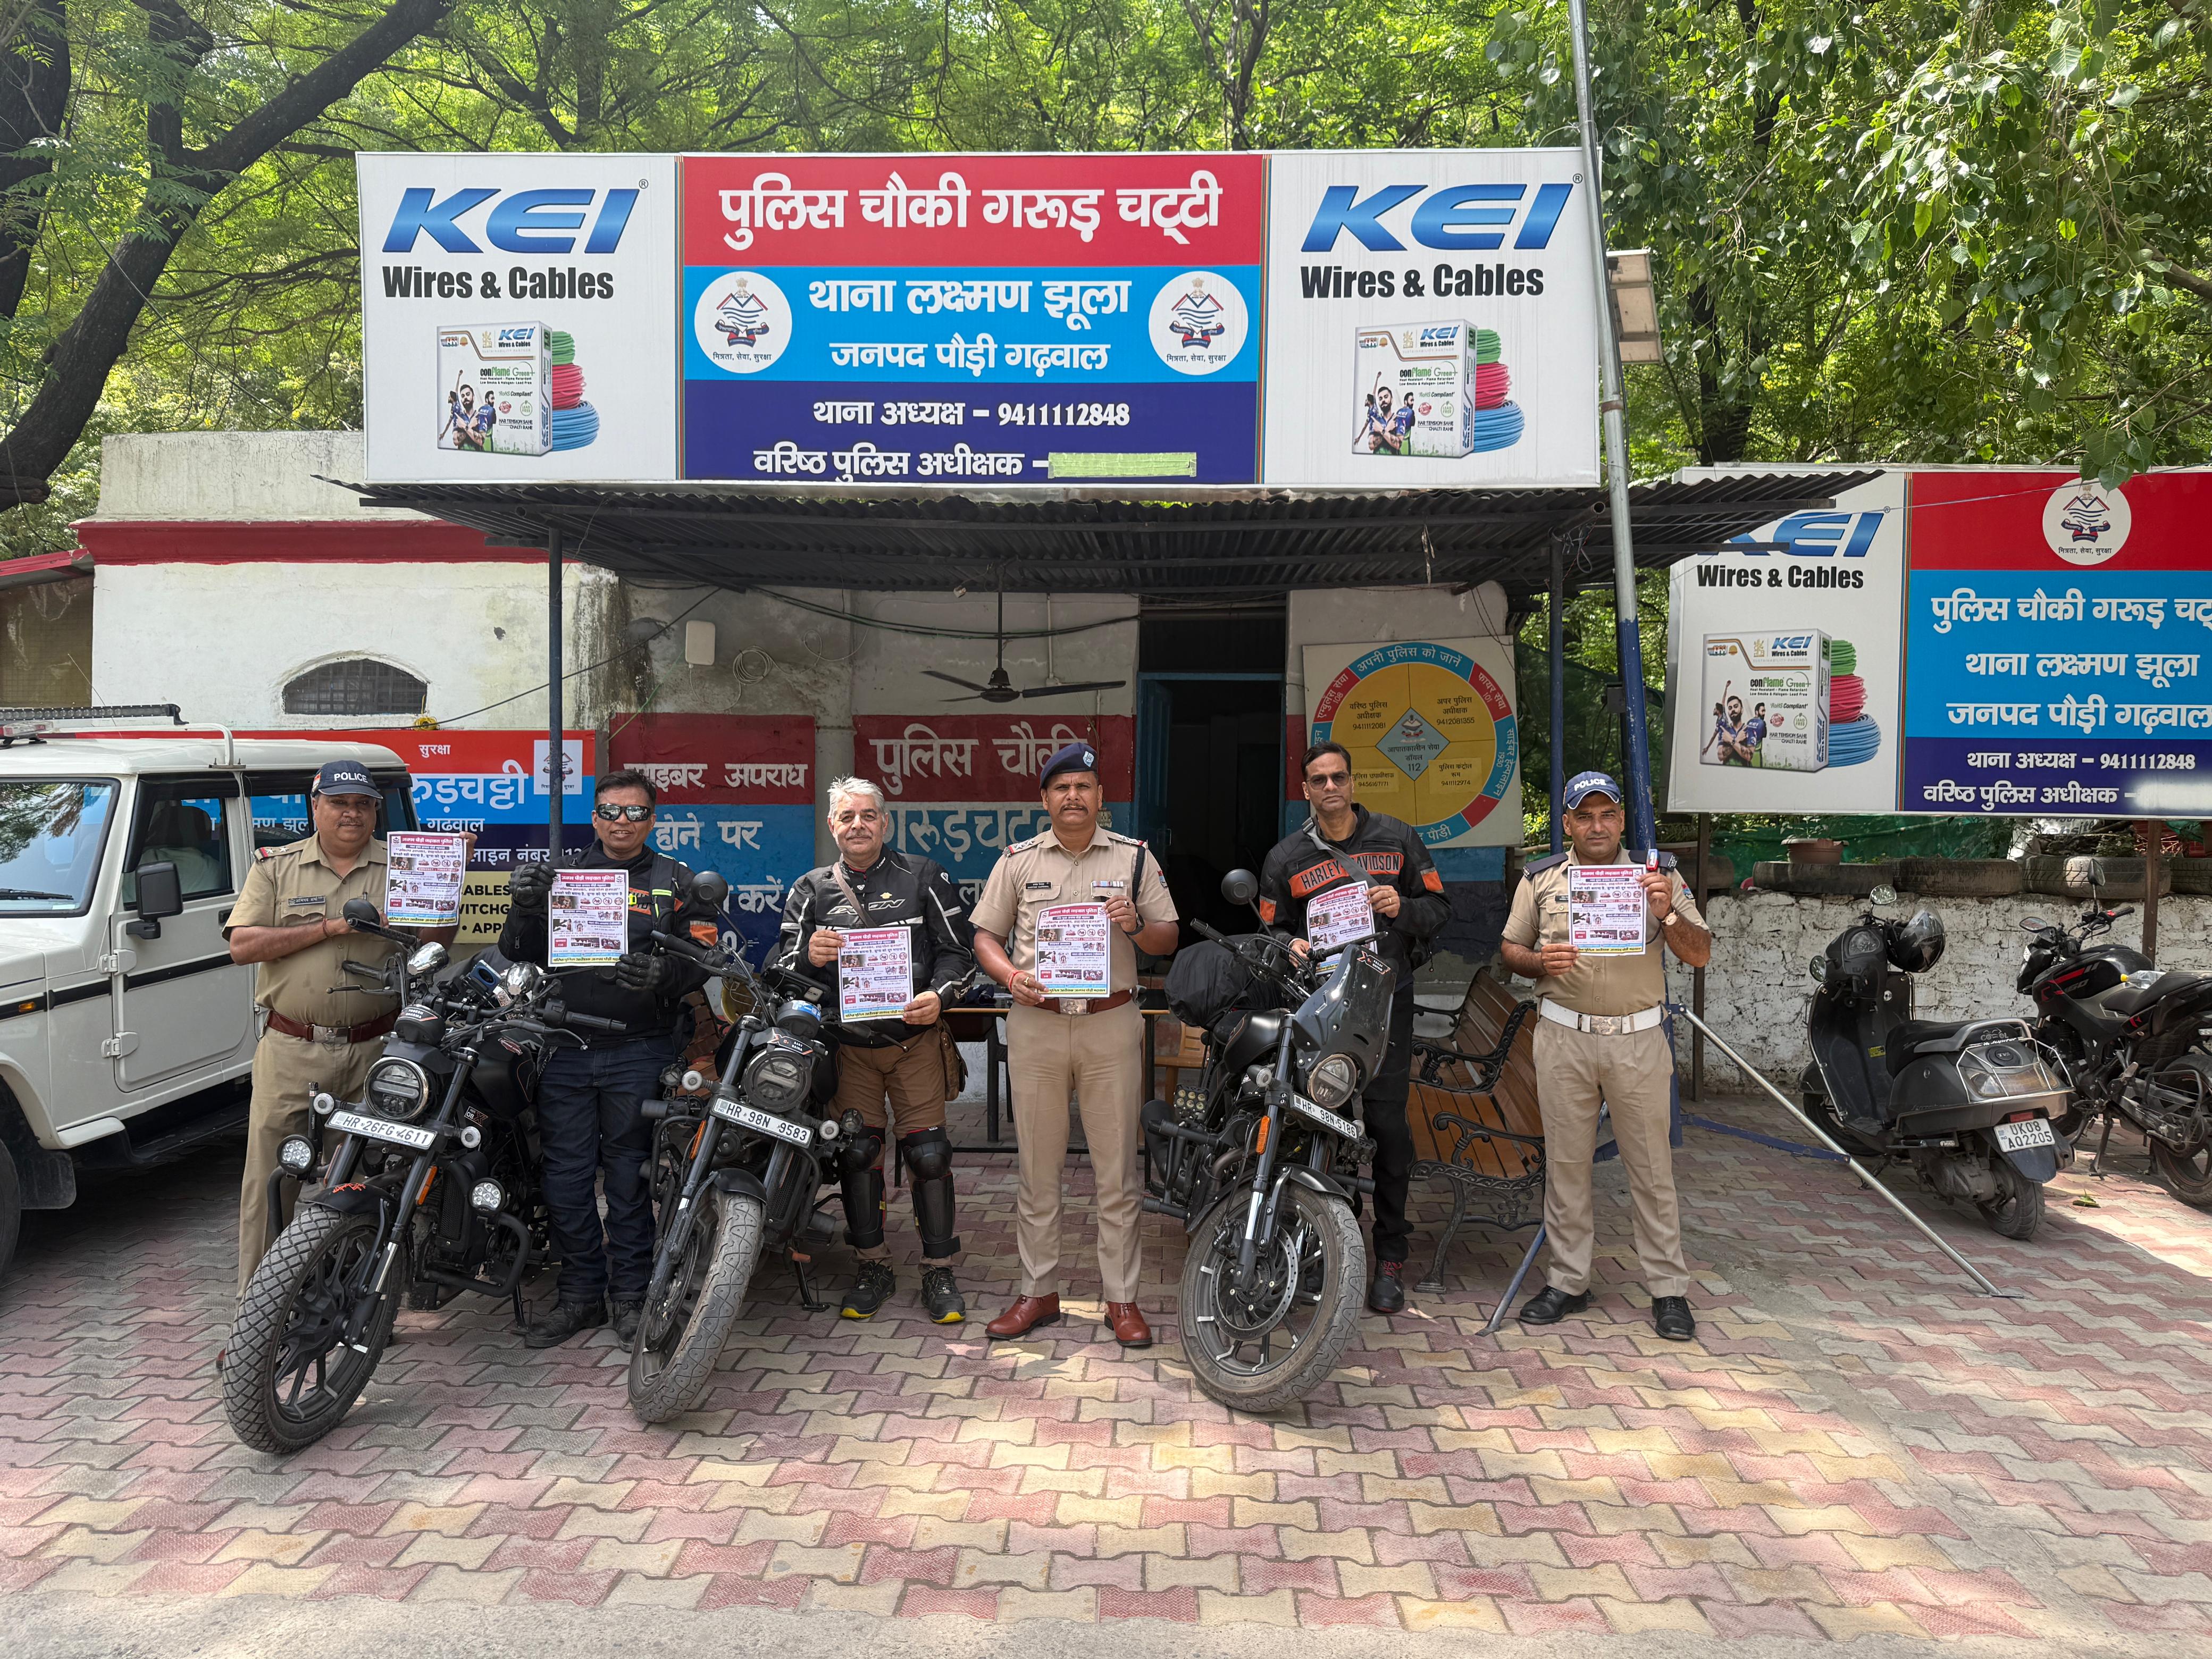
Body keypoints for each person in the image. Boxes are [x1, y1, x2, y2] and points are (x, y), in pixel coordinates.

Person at [224, 762, 460, 1304]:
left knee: (370, 1178)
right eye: (338, 802)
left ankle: (359, 1307)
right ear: (315, 807)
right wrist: (333, 927)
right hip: (292, 1048)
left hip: (377, 1049)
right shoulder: (276, 867)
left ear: (376, 810)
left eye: (362, 804)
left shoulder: (404, 863)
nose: (351, 813)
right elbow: (242, 946)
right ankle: (258, 1309)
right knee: (270, 1180)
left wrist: (446, 881)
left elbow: (437, 943)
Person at [970, 742, 1178, 1345]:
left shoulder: (1135, 858)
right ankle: (1037, 1292)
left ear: (1100, 797)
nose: (1072, 797)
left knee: (1117, 1171)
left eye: (1083, 786)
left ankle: (1121, 1299)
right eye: (1061, 788)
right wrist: (1010, 976)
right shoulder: (1017, 861)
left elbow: (1167, 937)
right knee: (1038, 1168)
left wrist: (1135, 925)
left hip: (1109, 1023)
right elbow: (984, 936)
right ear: (1044, 799)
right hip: (1036, 1022)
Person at [1497, 771, 1712, 1342]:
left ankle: (1667, 1289)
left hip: (1637, 1039)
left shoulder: (1656, 874)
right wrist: (1538, 962)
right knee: (1566, 1167)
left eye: (1608, 814)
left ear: (1621, 820)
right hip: (1563, 1037)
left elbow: (1699, 954)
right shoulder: (1542, 878)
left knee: (1651, 1169)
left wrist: (1667, 914)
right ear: (1567, 823)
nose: (1597, 826)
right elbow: (1510, 948)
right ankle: (1568, 1282)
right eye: (1585, 816)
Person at [500, 768, 709, 1348]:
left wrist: (665, 973)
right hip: (566, 1048)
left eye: (635, 812)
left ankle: (632, 1298)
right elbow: (518, 950)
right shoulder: (562, 876)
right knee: (565, 1180)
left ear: (652, 819)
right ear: (594, 819)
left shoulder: (676, 879)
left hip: (641, 1049)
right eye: (611, 812)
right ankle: (580, 1296)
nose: (622, 822)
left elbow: (703, 960)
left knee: (628, 1179)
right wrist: (525, 904)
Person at [772, 776, 976, 1325]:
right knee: (858, 1156)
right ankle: (873, 1266)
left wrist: (940, 997)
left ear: (885, 823)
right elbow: (781, 970)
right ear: (832, 826)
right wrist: (809, 956)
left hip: (913, 1043)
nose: (858, 825)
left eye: (868, 816)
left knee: (929, 1156)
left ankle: (939, 1270)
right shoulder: (810, 889)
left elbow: (959, 954)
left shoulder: (924, 875)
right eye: (847, 817)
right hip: (848, 1048)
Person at [1256, 741, 1450, 1315]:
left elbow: (1440, 910)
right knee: (1323, 1119)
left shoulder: (1398, 839)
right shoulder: (1285, 857)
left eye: (1338, 777)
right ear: (1306, 790)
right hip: (1322, 1008)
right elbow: (1269, 931)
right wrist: (1288, 944)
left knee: (1387, 1125)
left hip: (1386, 1002)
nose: (1330, 787)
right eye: (1318, 780)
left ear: (1352, 782)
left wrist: (1401, 907)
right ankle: (1326, 1245)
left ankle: (1389, 1255)